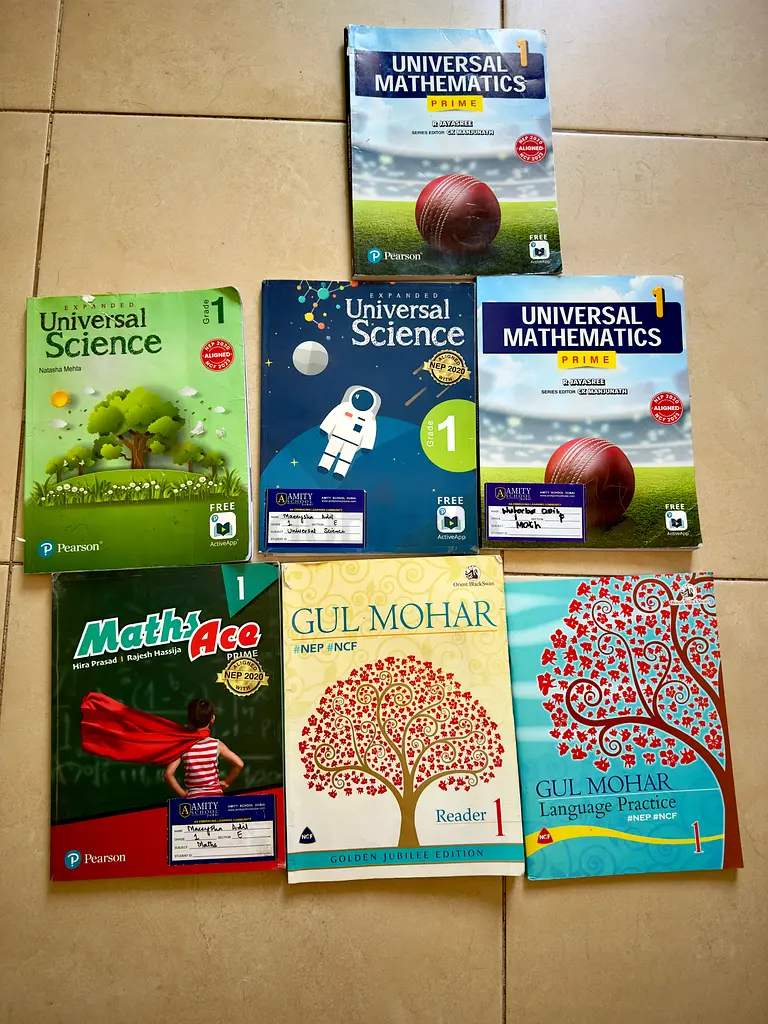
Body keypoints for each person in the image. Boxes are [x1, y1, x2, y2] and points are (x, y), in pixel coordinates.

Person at [163, 698, 243, 798]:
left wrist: (184, 795)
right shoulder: (216, 745)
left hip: (194, 800)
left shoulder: (184, 746)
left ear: (189, 720)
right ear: (212, 719)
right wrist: (227, 782)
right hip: (216, 799)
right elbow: (239, 764)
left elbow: (168, 774)